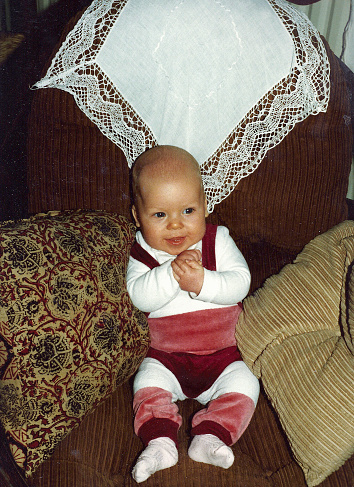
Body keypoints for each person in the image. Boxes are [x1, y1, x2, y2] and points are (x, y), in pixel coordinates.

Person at [127, 145, 259, 483]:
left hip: (222, 357)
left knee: (246, 384)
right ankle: (159, 443)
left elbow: (241, 282)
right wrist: (169, 274)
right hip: (166, 358)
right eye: (159, 215)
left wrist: (203, 282)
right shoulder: (142, 251)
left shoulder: (218, 240)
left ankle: (211, 436)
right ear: (137, 216)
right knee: (147, 383)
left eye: (187, 210)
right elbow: (139, 297)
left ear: (205, 206)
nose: (175, 225)